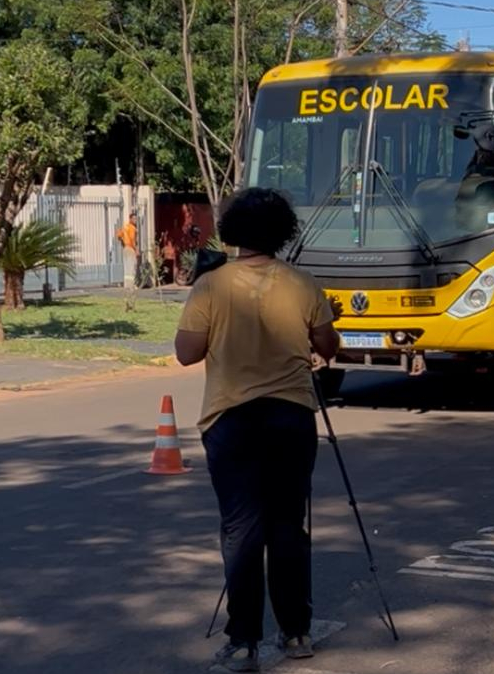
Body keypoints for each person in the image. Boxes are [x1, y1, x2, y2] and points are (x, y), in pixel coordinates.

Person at [174, 188, 341, 672]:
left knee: (241, 528)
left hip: (230, 420)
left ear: (233, 231)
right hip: (291, 416)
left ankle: (244, 640)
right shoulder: (304, 284)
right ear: (283, 231)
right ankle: (296, 633)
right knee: (288, 524)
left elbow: (187, 353)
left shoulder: (211, 285)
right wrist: (322, 334)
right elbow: (328, 347)